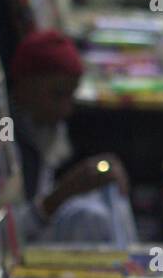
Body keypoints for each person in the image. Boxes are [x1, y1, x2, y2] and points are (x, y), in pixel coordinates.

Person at [9, 29, 137, 245]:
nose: (66, 110)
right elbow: (9, 236)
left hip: (41, 228)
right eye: (57, 95)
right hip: (23, 244)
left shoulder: (45, 128)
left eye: (71, 96)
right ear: (24, 85)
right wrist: (61, 195)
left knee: (108, 190)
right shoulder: (7, 138)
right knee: (90, 218)